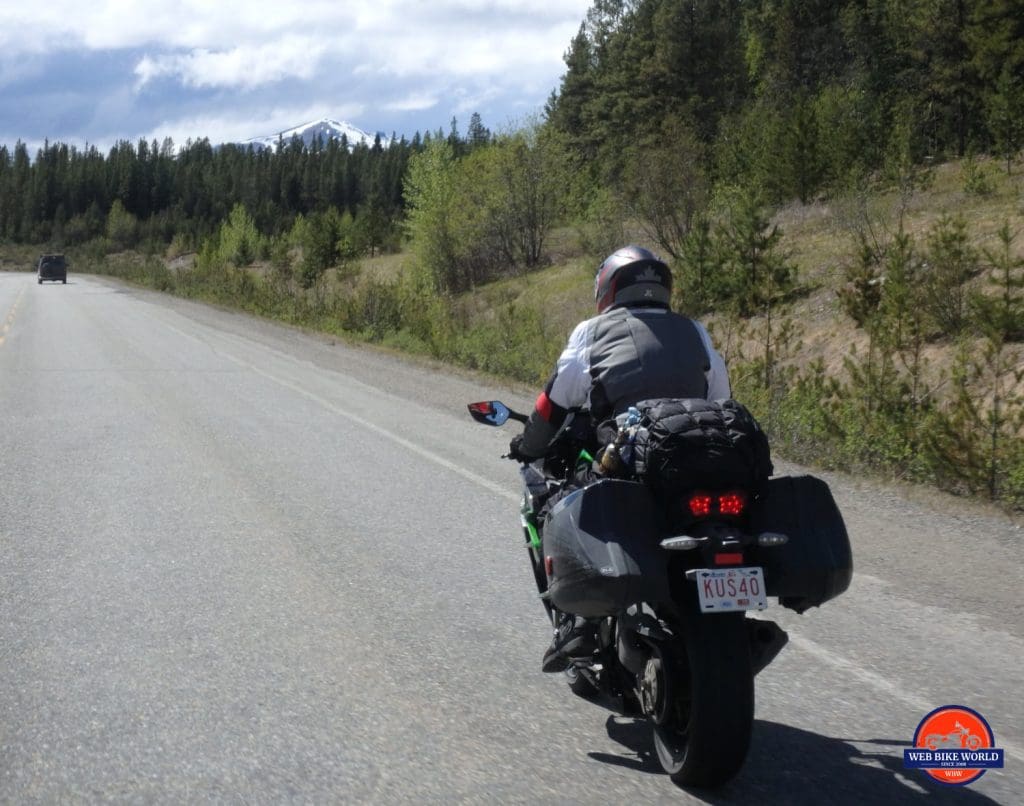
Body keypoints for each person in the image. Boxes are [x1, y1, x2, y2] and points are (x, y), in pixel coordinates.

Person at [507, 245, 731, 672]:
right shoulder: (695, 330)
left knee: (559, 503)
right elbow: (721, 399)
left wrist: (530, 445)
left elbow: (554, 403)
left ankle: (580, 624)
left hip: (635, 455)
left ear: (608, 288)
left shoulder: (593, 331)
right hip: (706, 453)